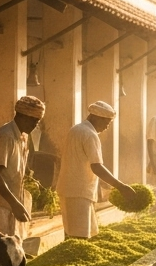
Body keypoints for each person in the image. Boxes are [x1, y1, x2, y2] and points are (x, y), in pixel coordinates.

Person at [57, 101, 134, 239]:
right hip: (79, 192)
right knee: (79, 236)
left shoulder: (76, 129)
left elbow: (82, 162)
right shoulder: (90, 134)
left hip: (70, 189)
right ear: (96, 117)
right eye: (106, 123)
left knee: (73, 232)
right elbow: (96, 166)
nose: (106, 127)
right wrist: (121, 186)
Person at [0, 95, 46, 238]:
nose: (35, 125)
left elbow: (15, 165)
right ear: (22, 116)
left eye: (38, 121)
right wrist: (15, 204)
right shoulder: (6, 136)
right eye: (33, 120)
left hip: (9, 202)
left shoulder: (23, 136)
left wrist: (27, 175)